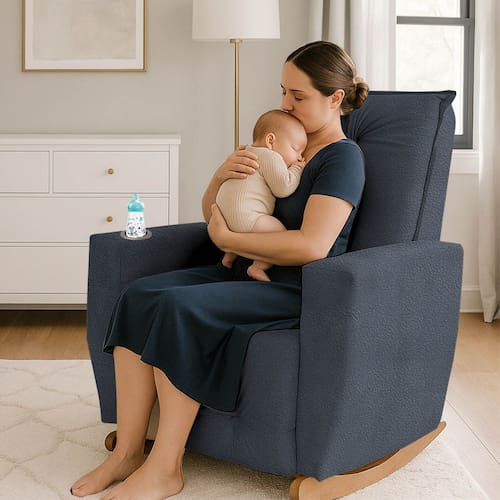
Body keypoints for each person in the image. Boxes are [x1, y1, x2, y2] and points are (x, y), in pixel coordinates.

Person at [70, 40, 368, 500]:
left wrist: (229, 243)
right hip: (244, 272)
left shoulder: (341, 158)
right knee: (139, 295)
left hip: (293, 286)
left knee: (177, 309)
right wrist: (220, 176)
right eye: (283, 91)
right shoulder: (279, 143)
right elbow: (216, 210)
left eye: (298, 96)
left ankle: (165, 468)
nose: (285, 103)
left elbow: (313, 246)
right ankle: (127, 453)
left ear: (335, 99)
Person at [216, 109, 307, 281]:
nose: (298, 156)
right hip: (245, 217)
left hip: (225, 215)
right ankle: (258, 266)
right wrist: (297, 168)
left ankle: (229, 256)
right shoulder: (270, 156)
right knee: (279, 234)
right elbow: (284, 187)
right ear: (271, 141)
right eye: (296, 149)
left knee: (245, 228)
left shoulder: (245, 152)